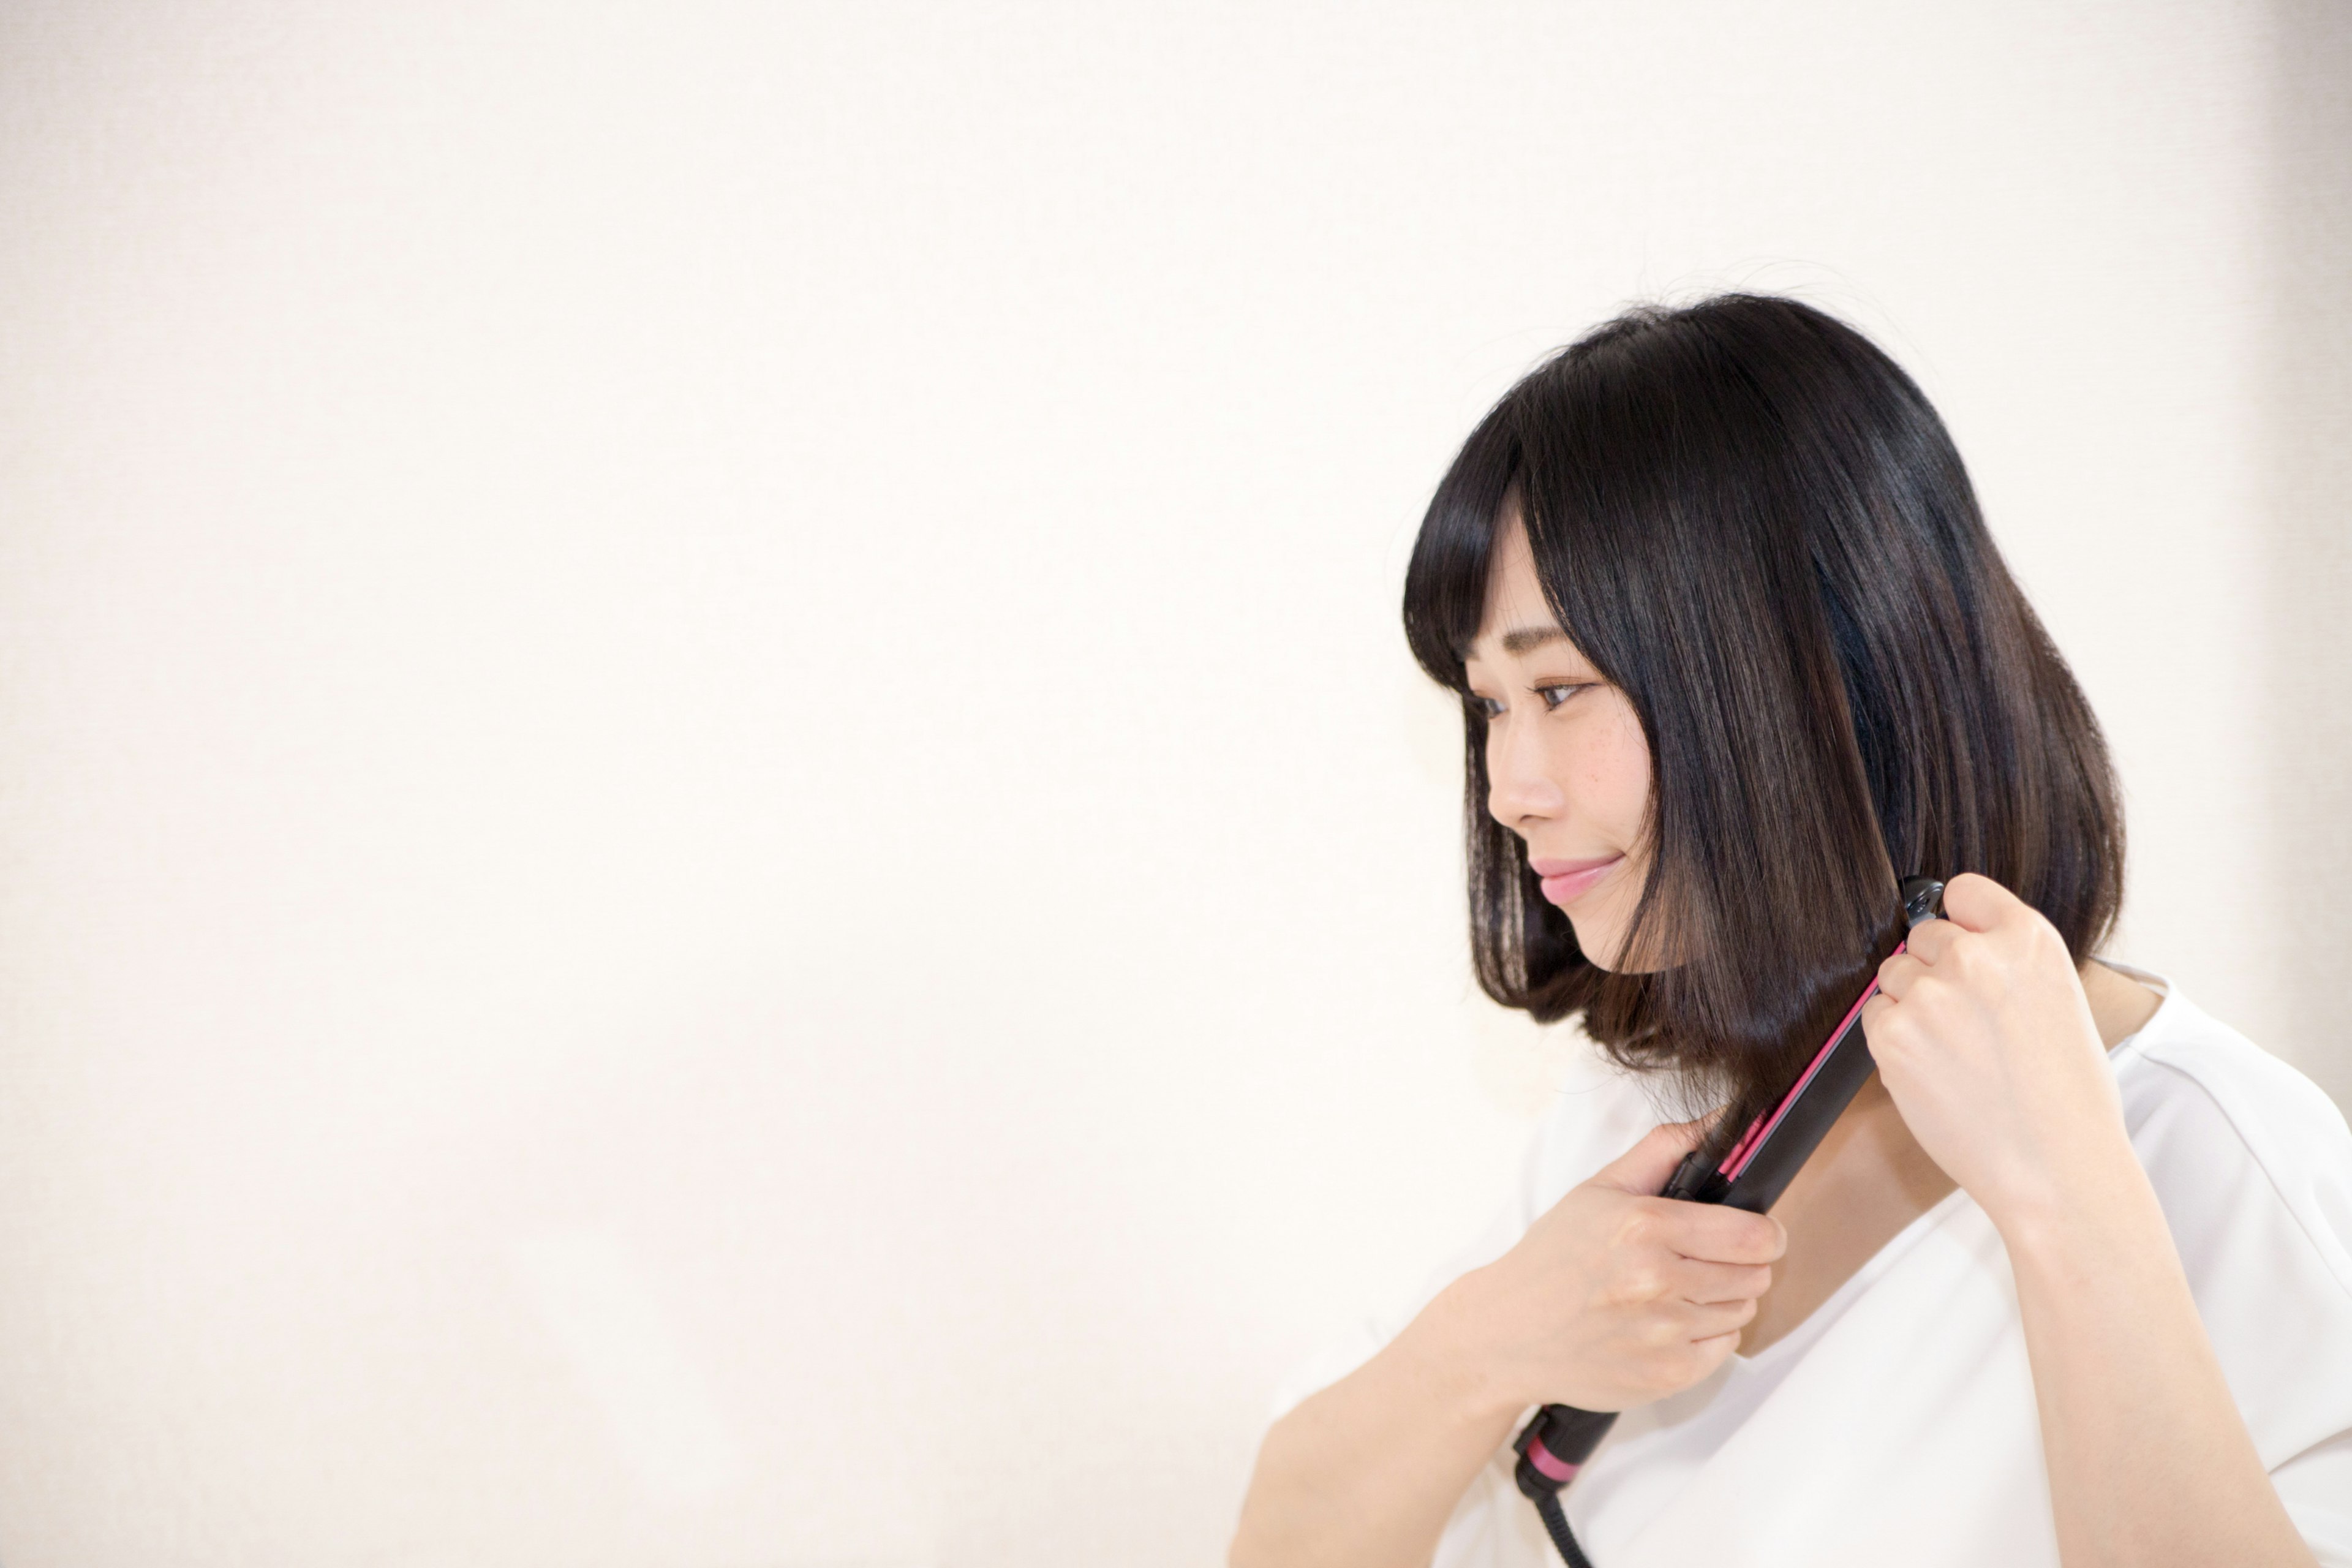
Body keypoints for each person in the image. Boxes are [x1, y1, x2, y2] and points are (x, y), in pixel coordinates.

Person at [1226, 295, 2352, 1568]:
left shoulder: (2236, 1166)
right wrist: (1488, 1340)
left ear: (1815, 671)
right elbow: (1287, 1540)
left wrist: (2066, 1202)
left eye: (1557, 688)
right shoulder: (1641, 1103)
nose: (1506, 786)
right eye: (1487, 703)